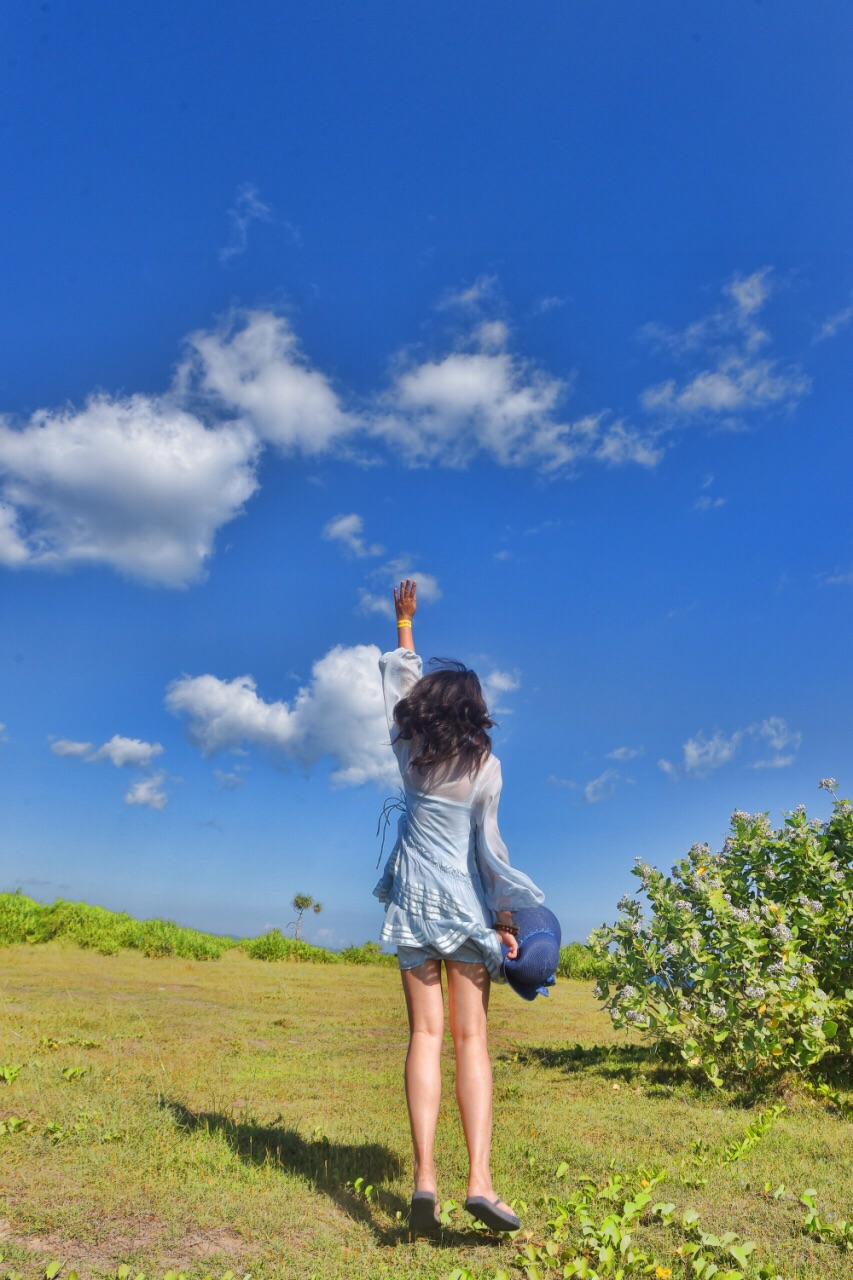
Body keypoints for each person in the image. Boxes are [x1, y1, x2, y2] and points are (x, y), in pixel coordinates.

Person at [373, 579, 545, 1236]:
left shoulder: (408, 750)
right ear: (474, 713)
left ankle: (424, 1182)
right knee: (471, 1039)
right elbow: (490, 850)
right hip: (462, 908)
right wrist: (505, 921)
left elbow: (396, 686)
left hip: (413, 905)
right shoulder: (485, 766)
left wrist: (404, 625)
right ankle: (478, 1180)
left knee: (423, 1036)